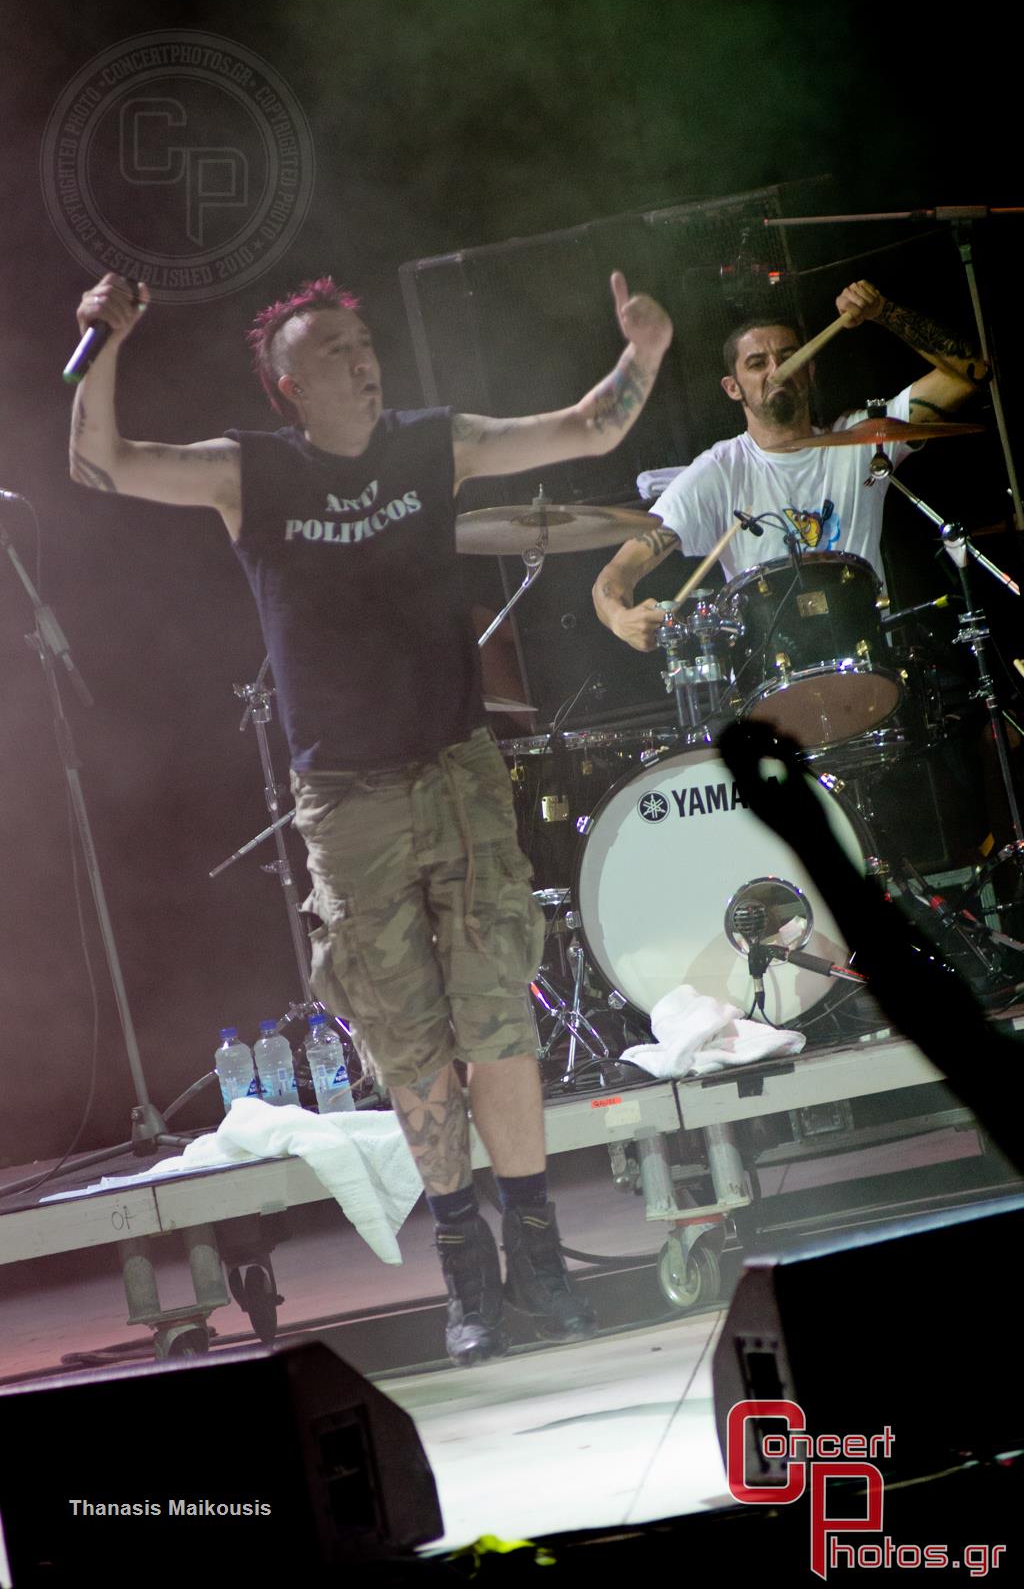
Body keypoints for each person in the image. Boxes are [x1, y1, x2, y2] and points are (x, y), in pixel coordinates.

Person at [69, 268, 673, 1367]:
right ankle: (466, 1263)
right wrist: (101, 342)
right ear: (291, 384)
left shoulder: (431, 444)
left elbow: (588, 425)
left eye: (366, 344)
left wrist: (645, 349)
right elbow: (99, 463)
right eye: (337, 351)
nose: (364, 361)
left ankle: (538, 1251)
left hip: (456, 769)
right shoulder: (251, 471)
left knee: (495, 1012)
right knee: (405, 1033)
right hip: (347, 798)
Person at [592, 279, 988, 653]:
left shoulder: (861, 442)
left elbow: (969, 374)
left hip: (868, 659)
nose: (775, 370)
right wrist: (619, 618)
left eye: (788, 357)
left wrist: (883, 311)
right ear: (732, 387)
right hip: (774, 670)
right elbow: (616, 574)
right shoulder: (718, 472)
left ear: (809, 370)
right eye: (757, 363)